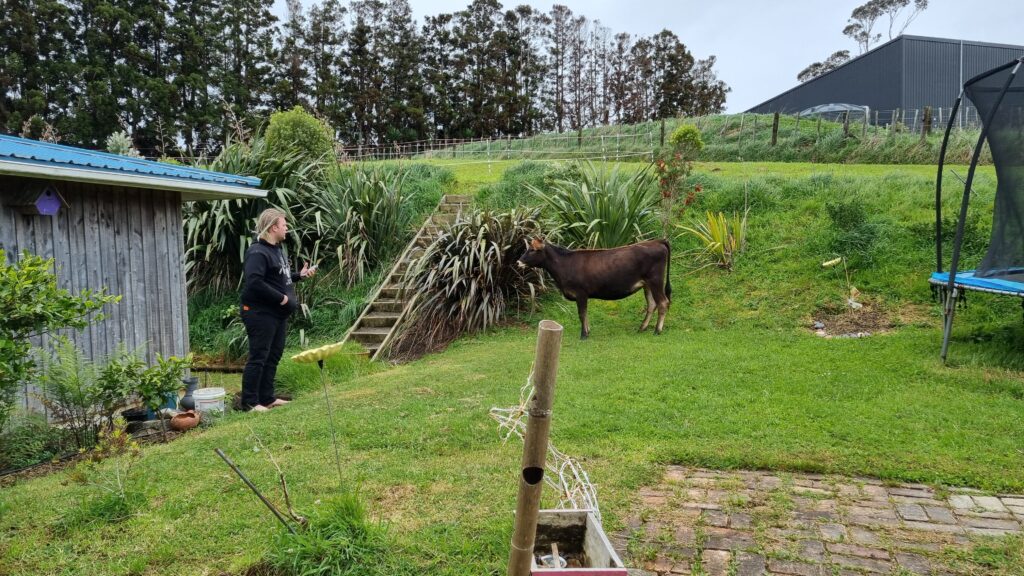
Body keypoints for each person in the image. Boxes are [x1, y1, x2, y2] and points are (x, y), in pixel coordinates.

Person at [240, 208, 316, 412]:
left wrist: (299, 275)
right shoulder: (257, 252)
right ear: (274, 227)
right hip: (260, 313)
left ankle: (267, 398)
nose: (287, 228)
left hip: (277, 315)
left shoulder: (276, 250)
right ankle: (249, 402)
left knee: (273, 356)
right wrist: (281, 298)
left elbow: (279, 277)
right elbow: (254, 282)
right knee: (259, 356)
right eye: (284, 225)